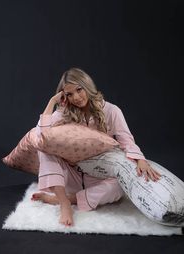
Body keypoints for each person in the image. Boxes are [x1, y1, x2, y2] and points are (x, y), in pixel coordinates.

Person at [31, 67, 161, 227]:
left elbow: (126, 139)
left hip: (99, 179)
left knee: (120, 185)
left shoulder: (111, 110)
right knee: (44, 148)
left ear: (87, 86)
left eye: (79, 90)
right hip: (72, 176)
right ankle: (64, 203)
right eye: (70, 94)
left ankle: (67, 199)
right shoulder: (66, 112)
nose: (77, 98)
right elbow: (41, 136)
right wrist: (52, 102)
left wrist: (141, 160)